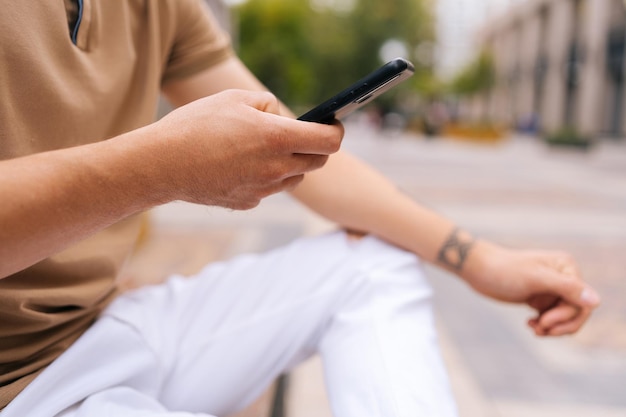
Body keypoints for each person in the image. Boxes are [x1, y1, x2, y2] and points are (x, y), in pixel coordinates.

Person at [0, 1, 600, 416]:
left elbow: (293, 145)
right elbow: (163, 162)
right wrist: (158, 169)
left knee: (372, 266)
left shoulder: (162, 9)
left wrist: (479, 260)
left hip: (97, 335)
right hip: (16, 388)